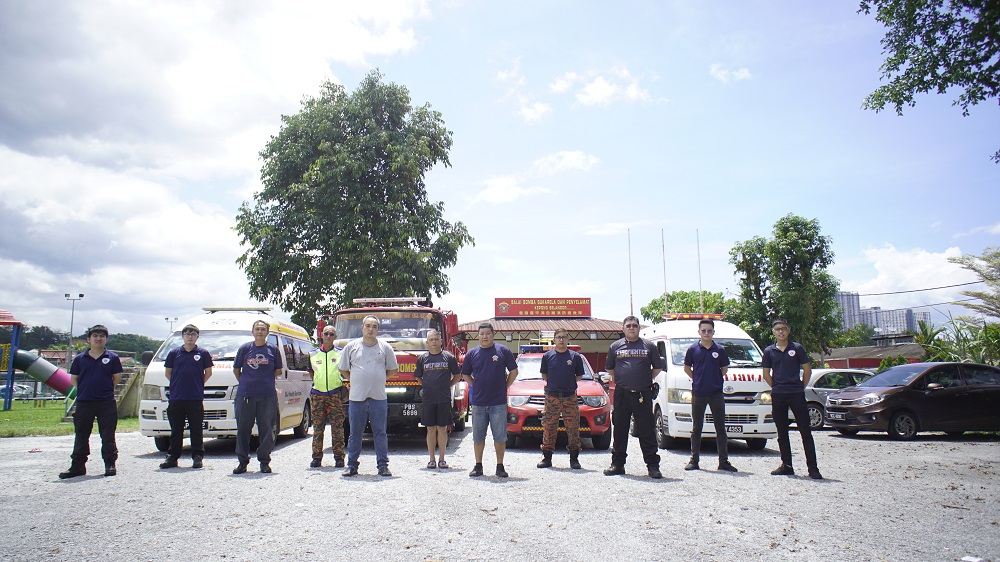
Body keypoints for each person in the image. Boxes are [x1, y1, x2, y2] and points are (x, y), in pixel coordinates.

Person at [603, 316, 664, 479]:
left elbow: (657, 368)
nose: (632, 328)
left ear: (639, 328)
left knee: (647, 431)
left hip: (643, 393)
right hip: (622, 393)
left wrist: (643, 379)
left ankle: (653, 466)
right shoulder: (615, 346)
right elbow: (610, 369)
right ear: (623, 328)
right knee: (620, 430)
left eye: (635, 326)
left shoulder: (649, 346)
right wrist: (625, 378)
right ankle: (617, 464)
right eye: (628, 326)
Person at [59, 325, 123, 479]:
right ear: (89, 339)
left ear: (106, 339)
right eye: (95, 336)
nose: (98, 338)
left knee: (108, 434)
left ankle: (110, 464)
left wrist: (103, 390)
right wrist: (87, 390)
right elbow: (74, 380)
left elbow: (116, 378)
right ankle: (77, 466)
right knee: (81, 434)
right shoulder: (80, 359)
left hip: (106, 402)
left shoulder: (113, 358)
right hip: (84, 402)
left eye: (102, 336)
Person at [762, 318, 822, 479]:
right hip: (779, 394)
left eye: (783, 329)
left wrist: (800, 386)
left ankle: (813, 468)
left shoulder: (797, 348)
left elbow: (807, 370)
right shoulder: (769, 351)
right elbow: (766, 373)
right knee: (782, 432)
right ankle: (787, 465)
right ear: (773, 332)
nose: (780, 332)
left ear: (788, 330)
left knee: (805, 431)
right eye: (777, 329)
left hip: (796, 393)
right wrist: (776, 386)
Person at [339, 315, 398, 477]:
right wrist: (355, 379)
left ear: (378, 330)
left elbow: (393, 369)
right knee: (355, 433)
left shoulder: (385, 348)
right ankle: (351, 465)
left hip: (378, 397)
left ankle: (383, 466)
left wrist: (379, 378)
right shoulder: (351, 347)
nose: (370, 329)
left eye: (374, 326)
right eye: (367, 326)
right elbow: (343, 368)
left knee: (380, 432)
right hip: (357, 398)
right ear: (362, 328)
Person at [461, 323, 518, 478]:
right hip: (479, 402)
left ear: (493, 334)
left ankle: (500, 466)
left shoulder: (502, 351)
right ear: (478, 336)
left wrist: (505, 386)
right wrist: (476, 385)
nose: (484, 336)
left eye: (487, 333)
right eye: (481, 334)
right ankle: (478, 466)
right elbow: (465, 374)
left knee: (500, 437)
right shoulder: (472, 354)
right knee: (478, 437)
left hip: (498, 402)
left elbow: (514, 371)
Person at [683, 318, 738, 473]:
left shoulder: (719, 350)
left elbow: (724, 368)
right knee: (697, 428)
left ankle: (723, 461)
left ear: (713, 332)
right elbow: (687, 368)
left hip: (716, 393)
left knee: (720, 428)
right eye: (704, 330)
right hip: (699, 393)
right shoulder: (693, 349)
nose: (706, 333)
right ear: (699, 332)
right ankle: (694, 461)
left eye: (709, 331)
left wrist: (713, 379)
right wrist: (697, 378)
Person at [232, 319, 283, 475]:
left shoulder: (273, 350)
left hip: (267, 395)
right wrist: (247, 382)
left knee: (267, 430)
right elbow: (236, 370)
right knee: (243, 430)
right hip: (245, 395)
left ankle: (264, 462)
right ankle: (242, 462)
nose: (260, 332)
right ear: (252, 331)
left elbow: (278, 370)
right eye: (257, 329)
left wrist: (264, 381)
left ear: (267, 332)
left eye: (263, 329)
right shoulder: (245, 349)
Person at [160, 324, 214, 470]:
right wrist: (178, 384)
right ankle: (173, 456)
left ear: (197, 337)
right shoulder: (174, 353)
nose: (190, 336)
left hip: (195, 397)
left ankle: (197, 456)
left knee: (196, 428)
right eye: (187, 334)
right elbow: (168, 373)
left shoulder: (203, 353)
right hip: (176, 397)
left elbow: (208, 373)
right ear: (182, 336)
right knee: (176, 429)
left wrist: (197, 383)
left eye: (193, 334)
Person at [537, 328, 585, 470]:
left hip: (570, 396)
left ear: (568, 339)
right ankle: (547, 458)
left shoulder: (575, 357)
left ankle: (574, 459)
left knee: (573, 428)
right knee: (549, 427)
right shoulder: (547, 356)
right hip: (552, 397)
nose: (561, 340)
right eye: (558, 337)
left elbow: (579, 376)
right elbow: (545, 375)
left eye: (564, 337)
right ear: (554, 340)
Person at [414, 329, 461, 469]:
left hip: (443, 399)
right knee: (430, 429)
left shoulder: (449, 357)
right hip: (428, 399)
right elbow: (418, 376)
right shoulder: (422, 358)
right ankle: (431, 459)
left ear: (441, 341)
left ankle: (442, 459)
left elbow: (457, 376)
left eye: (436, 339)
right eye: (431, 340)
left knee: (442, 429)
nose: (434, 342)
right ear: (427, 342)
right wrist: (427, 387)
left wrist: (448, 385)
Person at [309, 325, 346, 468]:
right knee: (318, 428)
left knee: (337, 427)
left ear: (335, 337)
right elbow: (311, 372)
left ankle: (339, 457)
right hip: (318, 395)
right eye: (326, 334)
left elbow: (345, 370)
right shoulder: (313, 354)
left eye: (331, 334)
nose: (328, 336)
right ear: (322, 336)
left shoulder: (340, 353)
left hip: (335, 394)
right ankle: (316, 457)